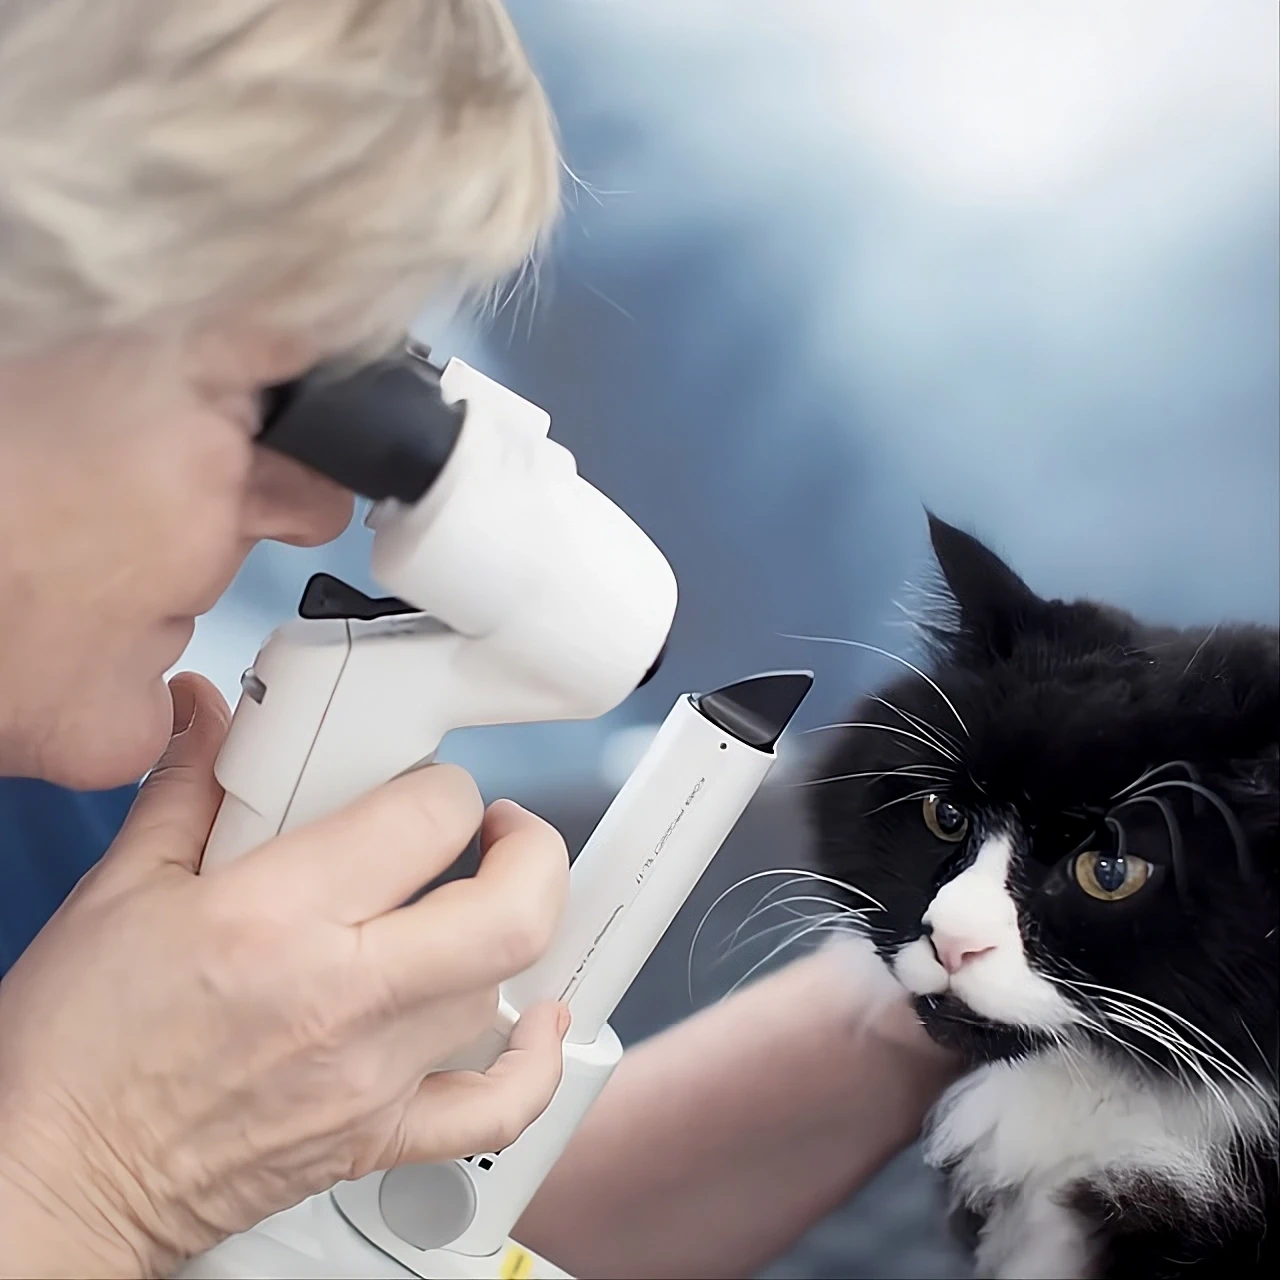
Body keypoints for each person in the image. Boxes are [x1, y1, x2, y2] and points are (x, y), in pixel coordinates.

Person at [0, 3, 953, 1277]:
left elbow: (350, 1236)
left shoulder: (38, 788)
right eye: (266, 386)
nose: (313, 511)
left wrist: (915, 1001)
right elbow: (131, 1188)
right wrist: (94, 1170)